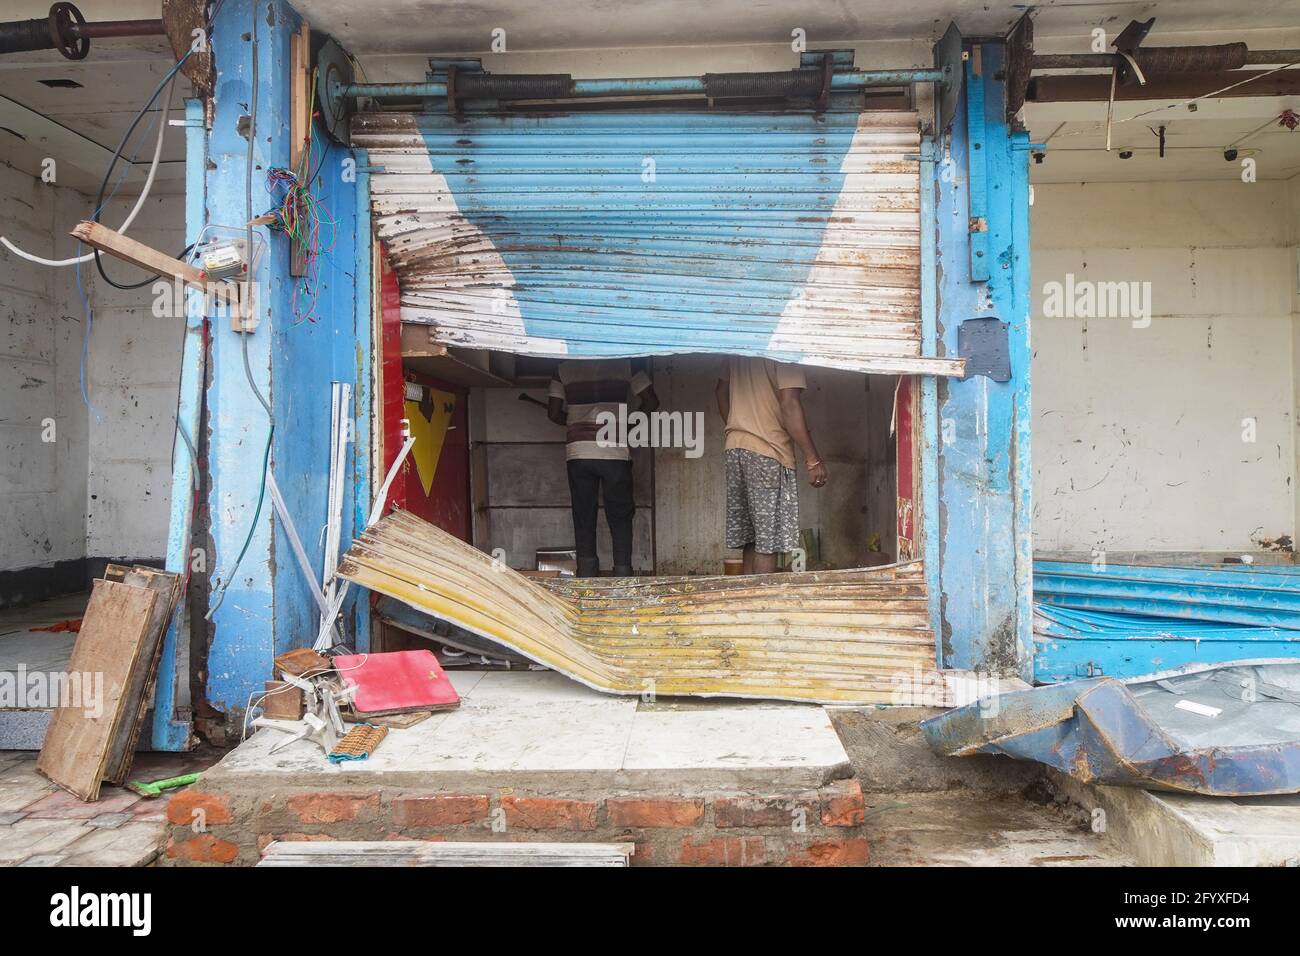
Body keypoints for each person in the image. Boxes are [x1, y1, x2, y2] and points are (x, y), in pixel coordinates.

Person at [715, 357, 827, 574]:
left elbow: (720, 392)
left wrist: (741, 426)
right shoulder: (785, 350)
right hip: (769, 453)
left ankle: (748, 602)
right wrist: (812, 459)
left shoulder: (739, 346)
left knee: (752, 539)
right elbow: (789, 405)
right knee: (768, 543)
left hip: (735, 448)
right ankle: (762, 605)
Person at [548, 359, 658, 577]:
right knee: (620, 515)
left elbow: (552, 413)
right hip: (613, 452)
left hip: (579, 453)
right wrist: (626, 426)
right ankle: (622, 573)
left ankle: (587, 573)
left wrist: (573, 423)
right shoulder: (628, 364)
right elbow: (652, 402)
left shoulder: (563, 368)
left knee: (583, 514)